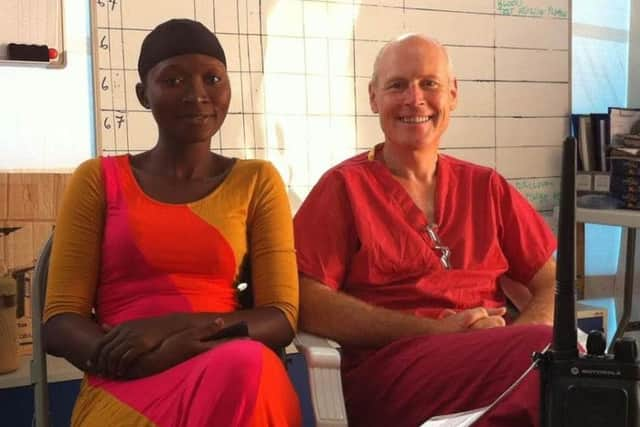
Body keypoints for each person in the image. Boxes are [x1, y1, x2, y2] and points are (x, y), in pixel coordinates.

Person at [44, 19, 301, 427]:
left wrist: (170, 330)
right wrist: (144, 360)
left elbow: (279, 317)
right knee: (247, 366)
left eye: (212, 78)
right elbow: (59, 322)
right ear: (143, 94)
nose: (197, 95)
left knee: (248, 365)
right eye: (174, 80)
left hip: (229, 365)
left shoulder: (257, 181)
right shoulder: (98, 179)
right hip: (124, 379)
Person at [293, 33, 557, 427]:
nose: (414, 99)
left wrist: (511, 339)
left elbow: (553, 280)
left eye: (429, 84)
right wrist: (436, 331)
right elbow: (308, 300)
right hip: (392, 375)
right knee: (560, 373)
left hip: (499, 362)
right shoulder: (343, 188)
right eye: (397, 85)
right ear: (373, 98)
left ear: (453, 94)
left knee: (577, 373)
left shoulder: (486, 186)